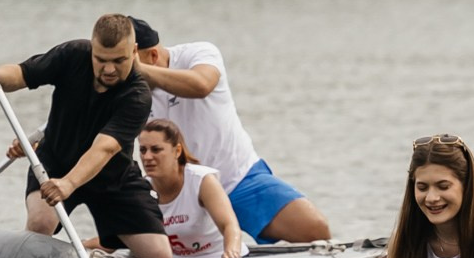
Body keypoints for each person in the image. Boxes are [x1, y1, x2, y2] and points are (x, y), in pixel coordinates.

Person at [0, 14, 170, 258]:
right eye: (101, 60)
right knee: (41, 223)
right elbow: (22, 74)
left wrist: (69, 183)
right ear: (92, 49)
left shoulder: (138, 95)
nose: (109, 69)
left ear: (134, 51)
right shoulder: (73, 54)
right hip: (55, 163)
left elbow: (104, 148)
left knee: (158, 254)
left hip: (112, 176)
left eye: (119, 60)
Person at [131, 20, 332, 245]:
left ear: (152, 56)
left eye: (127, 65)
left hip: (237, 180)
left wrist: (139, 71)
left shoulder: (199, 53)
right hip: (176, 196)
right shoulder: (126, 89)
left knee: (315, 230)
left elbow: (202, 85)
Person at [138, 119, 248, 258]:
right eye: (143, 150)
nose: (147, 157)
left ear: (177, 151)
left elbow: (229, 225)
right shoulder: (142, 189)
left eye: (156, 149)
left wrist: (231, 253)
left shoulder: (202, 180)